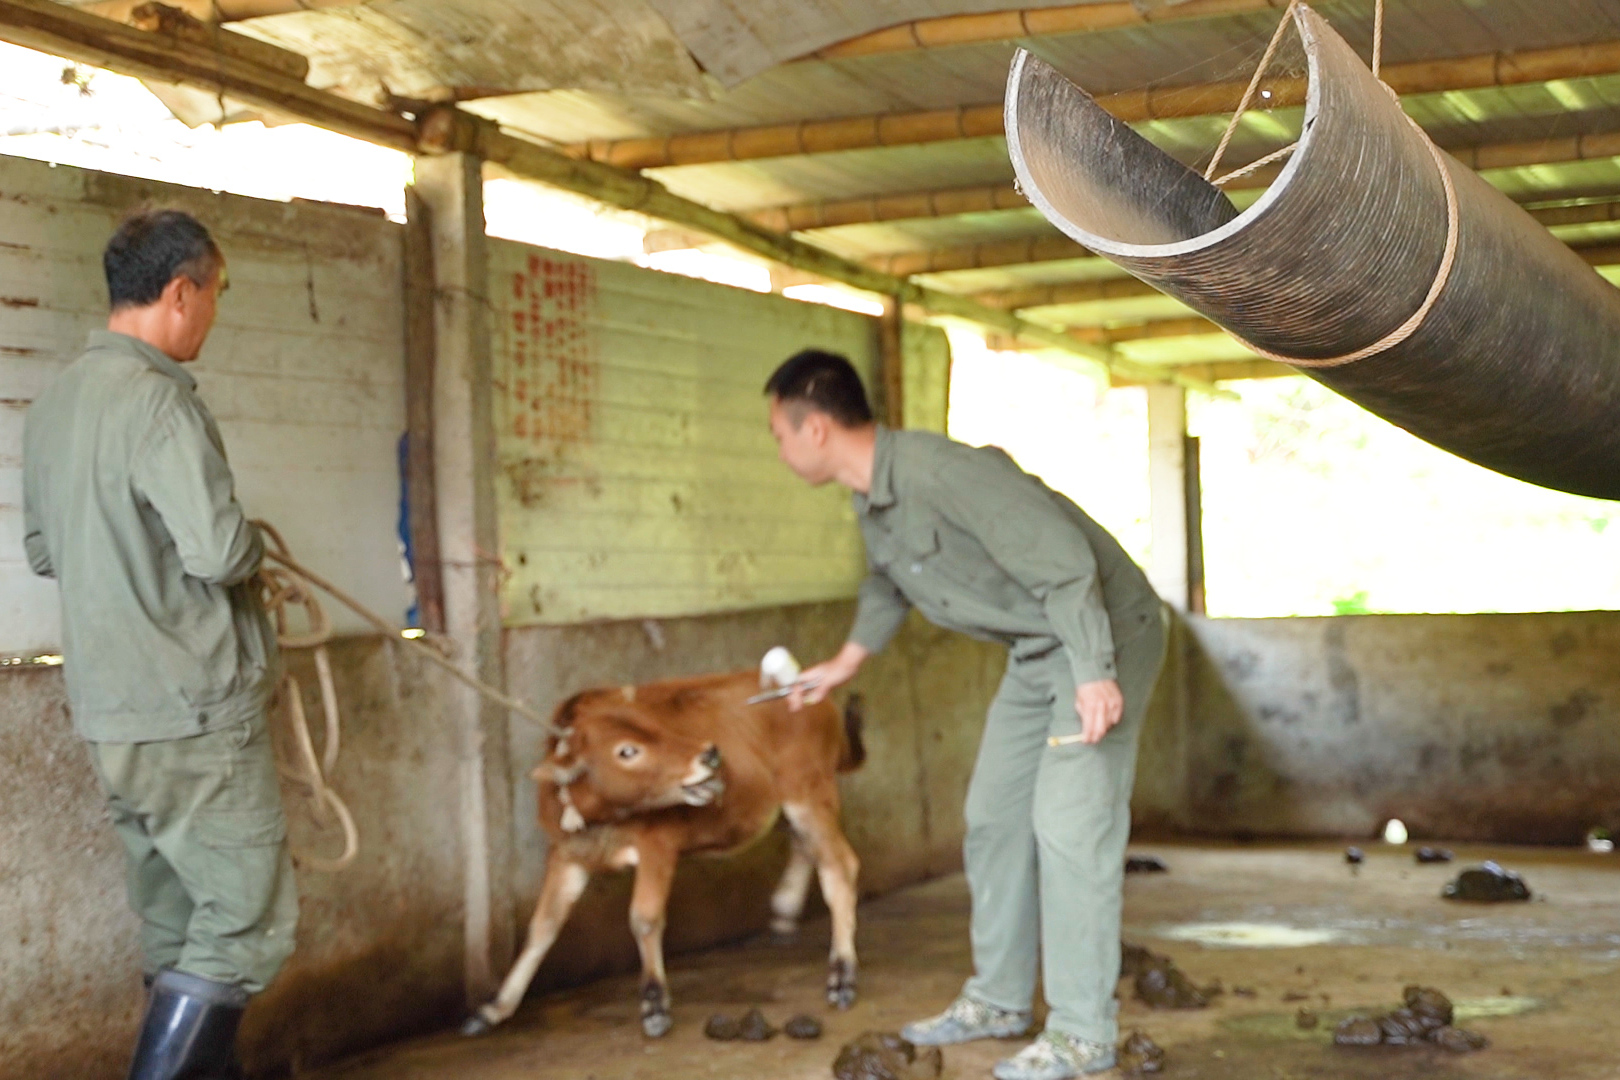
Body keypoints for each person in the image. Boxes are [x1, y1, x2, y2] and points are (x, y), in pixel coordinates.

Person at [765, 349, 1165, 1080]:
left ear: (814, 428)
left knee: (1070, 828)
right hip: (1033, 648)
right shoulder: (871, 496)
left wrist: (1096, 672)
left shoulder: (945, 473)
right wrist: (846, 662)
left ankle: (1083, 1035)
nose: (779, 447)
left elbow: (1064, 560)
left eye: (778, 433)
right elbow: (888, 583)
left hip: (1099, 635)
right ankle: (1000, 1000)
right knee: (994, 817)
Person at [23, 209, 295, 1080]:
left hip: (111, 713)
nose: (213, 312)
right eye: (214, 293)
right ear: (181, 292)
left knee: (178, 922)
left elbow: (41, 551)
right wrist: (254, 547)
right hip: (192, 709)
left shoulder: (59, 400)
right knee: (247, 922)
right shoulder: (158, 400)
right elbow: (216, 551)